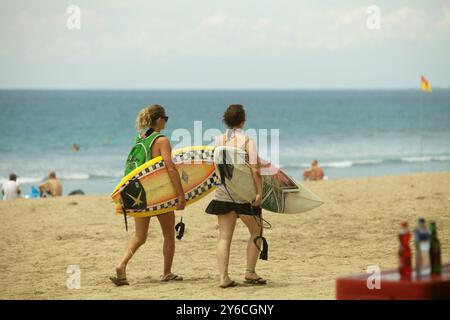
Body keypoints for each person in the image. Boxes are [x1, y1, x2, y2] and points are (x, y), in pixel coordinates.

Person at [110, 104, 186, 286]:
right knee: (169, 235)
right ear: (159, 119)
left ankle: (121, 265)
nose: (165, 122)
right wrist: (180, 194)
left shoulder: (141, 139)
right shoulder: (162, 141)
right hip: (159, 195)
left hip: (141, 195)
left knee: (140, 237)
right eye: (165, 119)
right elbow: (170, 168)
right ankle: (167, 272)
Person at [205, 104, 267, 288]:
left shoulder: (218, 140)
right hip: (245, 196)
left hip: (223, 195)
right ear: (243, 120)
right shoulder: (247, 141)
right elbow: (255, 170)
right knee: (256, 231)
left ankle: (223, 277)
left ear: (226, 120)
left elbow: (213, 166)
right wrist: (259, 193)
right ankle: (250, 272)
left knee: (224, 237)